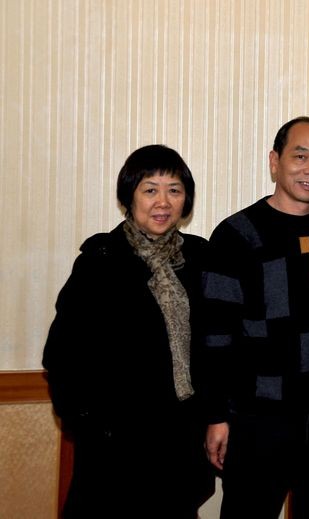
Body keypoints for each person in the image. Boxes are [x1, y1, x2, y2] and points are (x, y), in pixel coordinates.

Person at [42, 145, 214, 517]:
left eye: (174, 190)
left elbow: (214, 344)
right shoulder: (100, 262)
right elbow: (62, 355)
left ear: (186, 200)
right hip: (115, 448)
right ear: (129, 198)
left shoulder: (200, 260)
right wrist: (89, 425)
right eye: (150, 189)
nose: (162, 201)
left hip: (178, 441)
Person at [201, 116, 309, 518]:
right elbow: (215, 335)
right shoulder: (236, 234)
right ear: (275, 161)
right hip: (258, 419)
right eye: (300, 156)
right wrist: (216, 415)